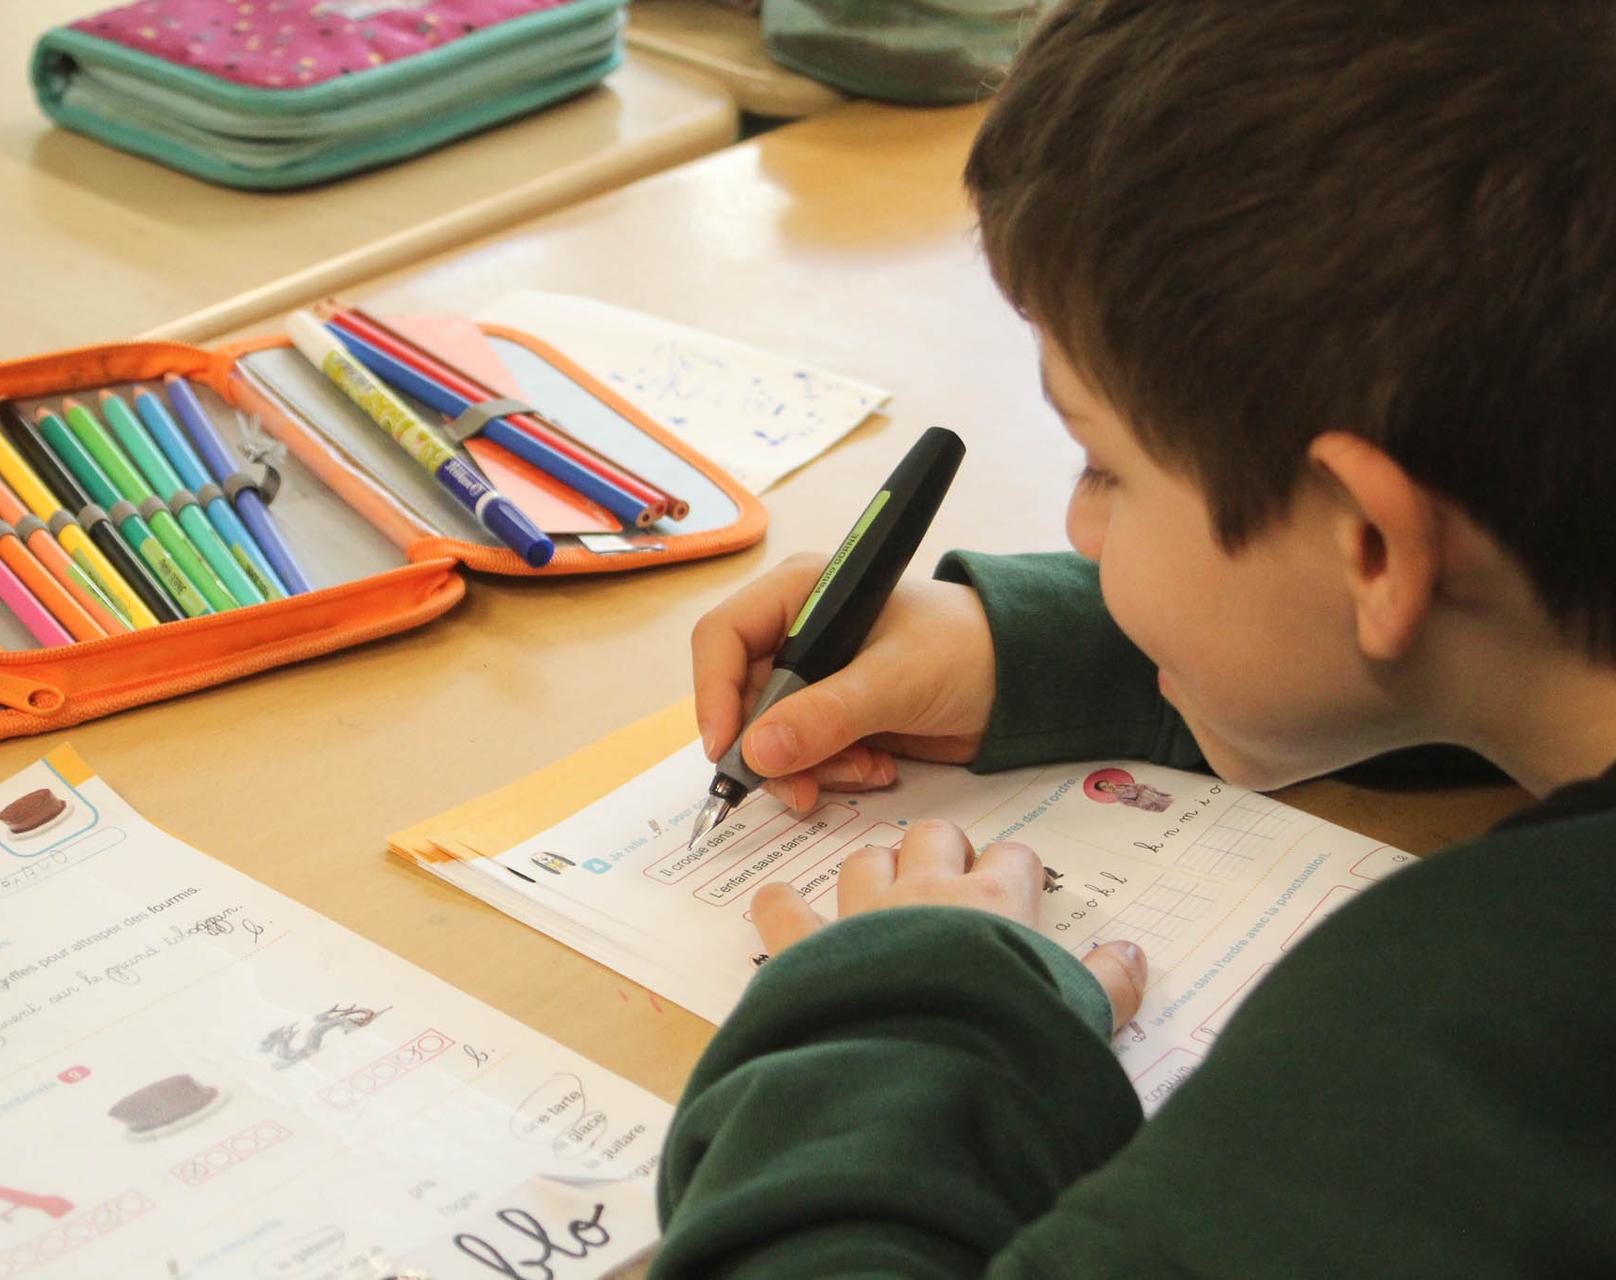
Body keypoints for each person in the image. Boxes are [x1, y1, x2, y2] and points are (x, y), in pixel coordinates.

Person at [650, 1, 1616, 1274]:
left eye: (1105, 465)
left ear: (1374, 547)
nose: (1079, 526)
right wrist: (1044, 650)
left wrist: (915, 1011)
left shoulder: (1461, 1044)